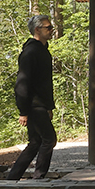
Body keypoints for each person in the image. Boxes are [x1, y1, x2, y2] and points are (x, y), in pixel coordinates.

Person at [7, 13, 57, 180]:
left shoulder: (43, 51)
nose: (52, 30)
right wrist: (23, 111)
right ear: (37, 30)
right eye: (48, 27)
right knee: (49, 139)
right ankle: (39, 177)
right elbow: (22, 84)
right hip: (34, 105)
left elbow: (44, 84)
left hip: (41, 105)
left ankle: (13, 177)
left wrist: (49, 107)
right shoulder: (30, 53)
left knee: (35, 142)